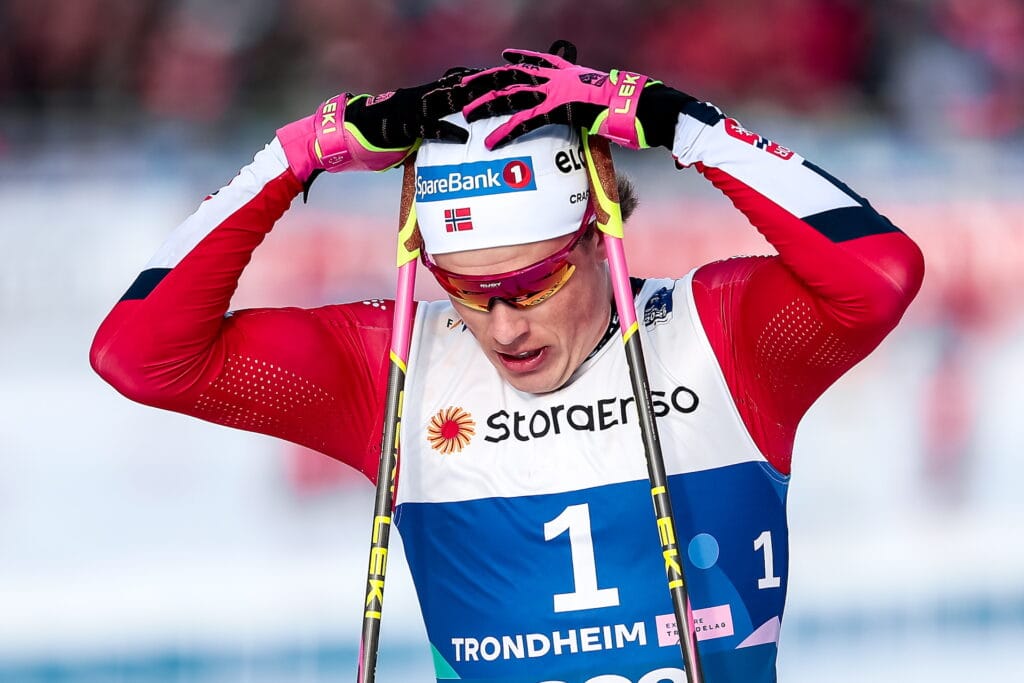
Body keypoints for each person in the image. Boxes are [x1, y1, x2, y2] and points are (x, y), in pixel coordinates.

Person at [91, 43, 924, 683]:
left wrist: (680, 123)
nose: (502, 325)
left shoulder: (721, 335)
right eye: (465, 288)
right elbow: (139, 355)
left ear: (602, 233)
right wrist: (298, 153)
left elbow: (880, 272)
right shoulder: (395, 370)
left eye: (535, 282)